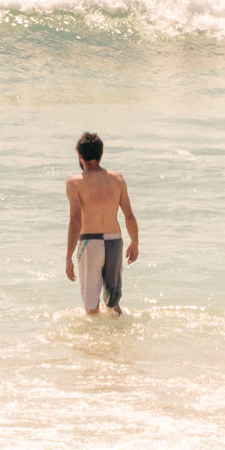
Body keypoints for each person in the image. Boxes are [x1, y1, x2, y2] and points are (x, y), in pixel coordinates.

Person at [64, 131, 139, 315]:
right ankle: (118, 339)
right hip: (115, 241)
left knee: (91, 306)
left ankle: (96, 342)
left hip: (90, 243)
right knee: (113, 303)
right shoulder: (117, 179)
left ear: (80, 155)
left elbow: (75, 221)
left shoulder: (74, 183)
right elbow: (129, 215)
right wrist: (134, 242)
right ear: (101, 154)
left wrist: (68, 256)